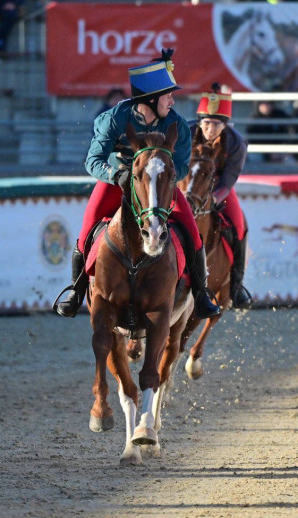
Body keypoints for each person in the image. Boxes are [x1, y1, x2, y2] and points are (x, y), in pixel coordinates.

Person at [55, 49, 221, 320]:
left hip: (159, 185)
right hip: (119, 181)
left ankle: (201, 293)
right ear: (151, 98)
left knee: (192, 232)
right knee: (86, 230)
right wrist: (117, 175)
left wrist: (160, 175)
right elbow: (92, 160)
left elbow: (180, 167)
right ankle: (76, 290)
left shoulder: (176, 123)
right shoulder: (114, 119)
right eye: (168, 95)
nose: (172, 101)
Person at [190, 84, 253, 309]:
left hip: (218, 189)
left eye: (216, 124)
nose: (209, 129)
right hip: (187, 187)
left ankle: (236, 286)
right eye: (206, 123)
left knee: (239, 225)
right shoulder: (186, 134)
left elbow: (229, 179)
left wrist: (215, 198)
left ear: (225, 125)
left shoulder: (236, 143)